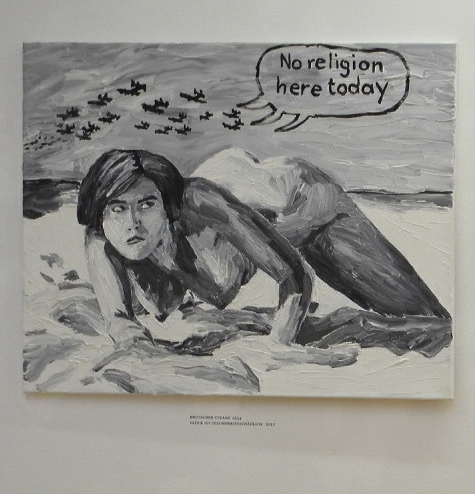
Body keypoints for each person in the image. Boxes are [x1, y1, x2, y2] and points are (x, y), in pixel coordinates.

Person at [77, 147, 448, 353]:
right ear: (101, 213)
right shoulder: (103, 239)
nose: (131, 224)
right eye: (118, 209)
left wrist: (277, 349)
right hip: (239, 194)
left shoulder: (200, 204)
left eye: (145, 205)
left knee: (426, 319)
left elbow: (294, 276)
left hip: (304, 205)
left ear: (167, 205)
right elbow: (120, 321)